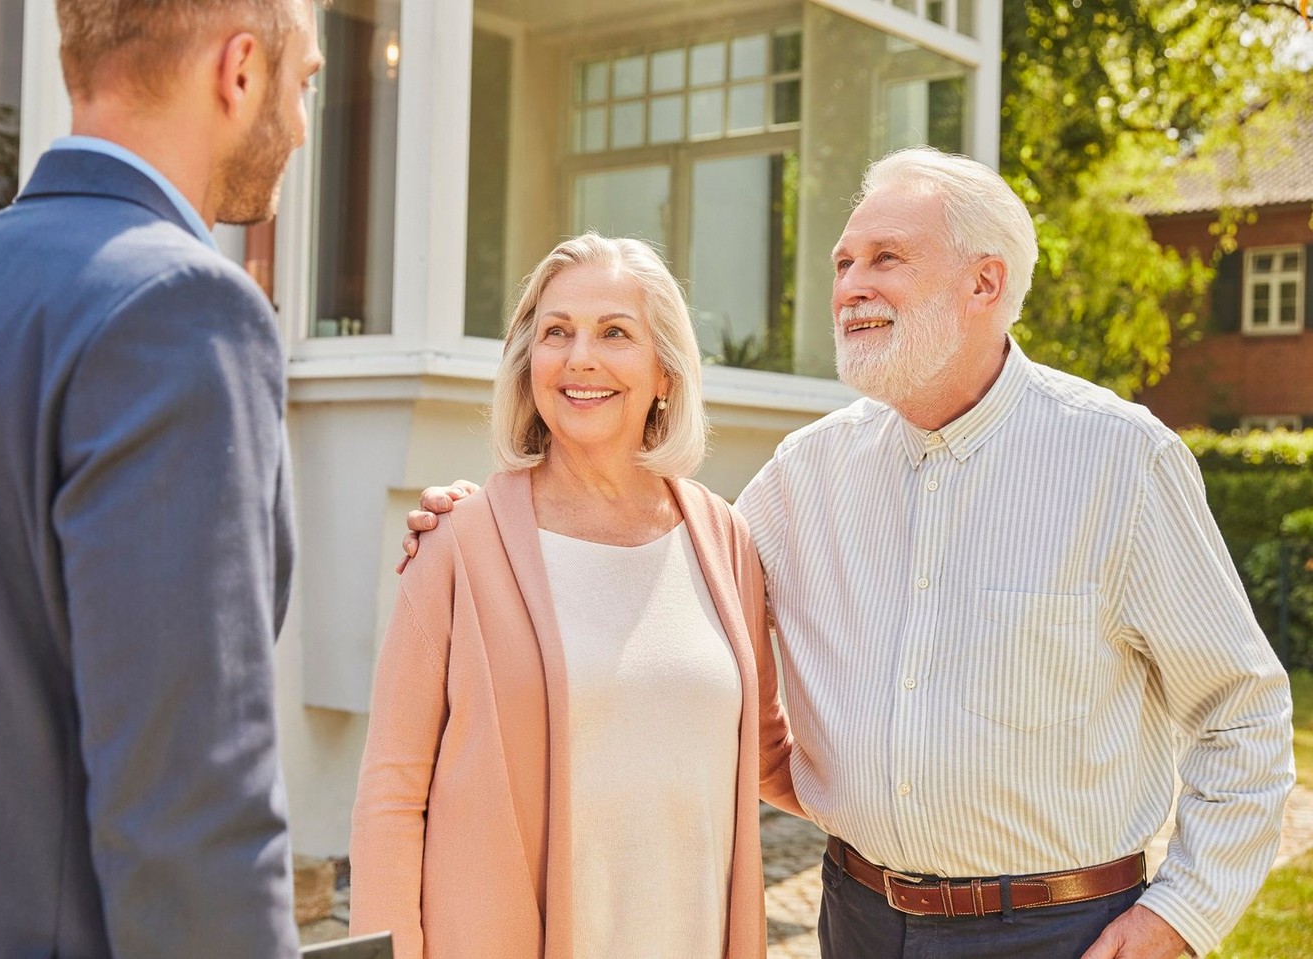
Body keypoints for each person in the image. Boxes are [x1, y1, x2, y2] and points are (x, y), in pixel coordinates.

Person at [402, 148, 1294, 959]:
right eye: (842, 263)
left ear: (985, 282)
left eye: (886, 259)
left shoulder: (1122, 460)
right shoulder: (805, 475)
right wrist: (489, 517)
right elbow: (659, 577)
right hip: (859, 919)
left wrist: (1182, 913)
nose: (850, 286)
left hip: (1062, 932)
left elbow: (1243, 715)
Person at [0, 1, 323, 955]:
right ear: (239, 72)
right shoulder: (183, 309)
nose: (303, 120)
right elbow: (192, 812)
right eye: (306, 83)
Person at [348, 233, 802, 959]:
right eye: (556, 332)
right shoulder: (457, 543)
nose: (580, 356)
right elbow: (392, 797)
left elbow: (773, 754)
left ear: (666, 373)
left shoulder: (724, 540)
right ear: (530, 364)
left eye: (615, 332)